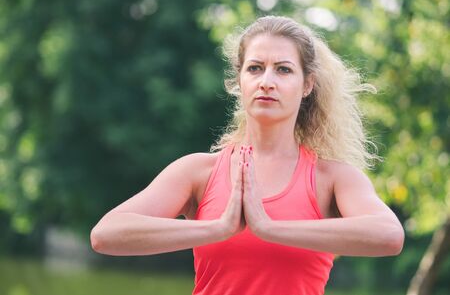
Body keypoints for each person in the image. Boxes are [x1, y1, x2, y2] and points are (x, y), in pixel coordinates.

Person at [90, 15, 404, 295]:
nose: (267, 81)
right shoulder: (199, 171)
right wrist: (219, 228)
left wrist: (269, 228)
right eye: (255, 68)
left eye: (283, 70)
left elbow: (389, 236)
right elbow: (106, 235)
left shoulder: (332, 178)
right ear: (239, 81)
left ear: (307, 84)